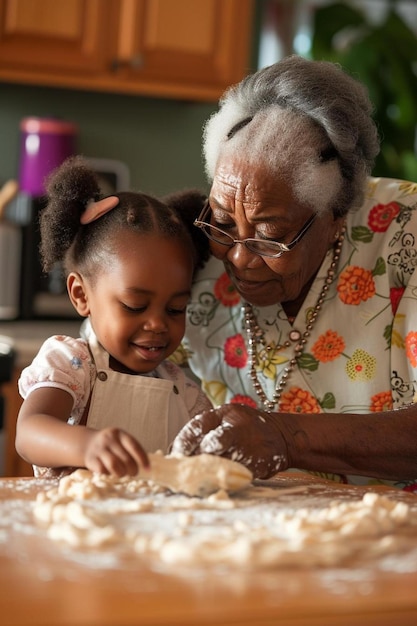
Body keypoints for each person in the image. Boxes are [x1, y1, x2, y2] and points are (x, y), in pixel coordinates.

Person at [169, 54, 417, 491]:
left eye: (269, 236)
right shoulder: (188, 249)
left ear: (336, 214)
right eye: (224, 223)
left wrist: (284, 435)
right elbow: (97, 366)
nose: (240, 259)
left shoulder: (406, 234)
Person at [16, 156, 212, 479]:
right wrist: (87, 445)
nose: (158, 324)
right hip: (73, 524)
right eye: (135, 306)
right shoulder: (72, 366)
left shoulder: (184, 393)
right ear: (81, 295)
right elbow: (29, 432)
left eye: (176, 308)